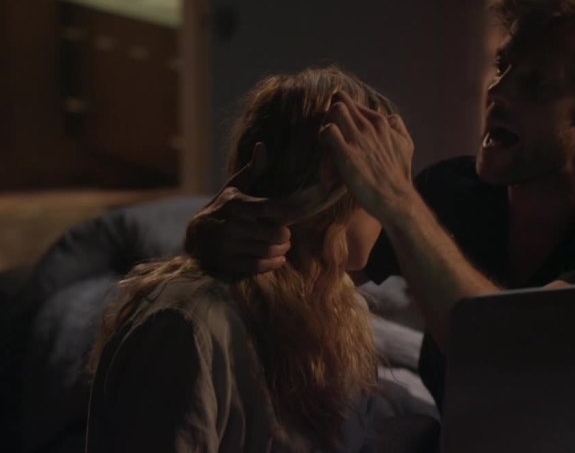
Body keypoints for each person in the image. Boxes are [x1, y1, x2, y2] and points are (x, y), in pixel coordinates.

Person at [185, 0, 575, 412]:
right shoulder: (455, 191)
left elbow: (508, 355)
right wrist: (218, 238)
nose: (497, 92)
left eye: (536, 84)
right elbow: (313, 261)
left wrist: (399, 202)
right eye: (502, 67)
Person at [86, 67, 397, 453]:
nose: (395, 199)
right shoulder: (188, 327)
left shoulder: (338, 304)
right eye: (384, 177)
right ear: (335, 183)